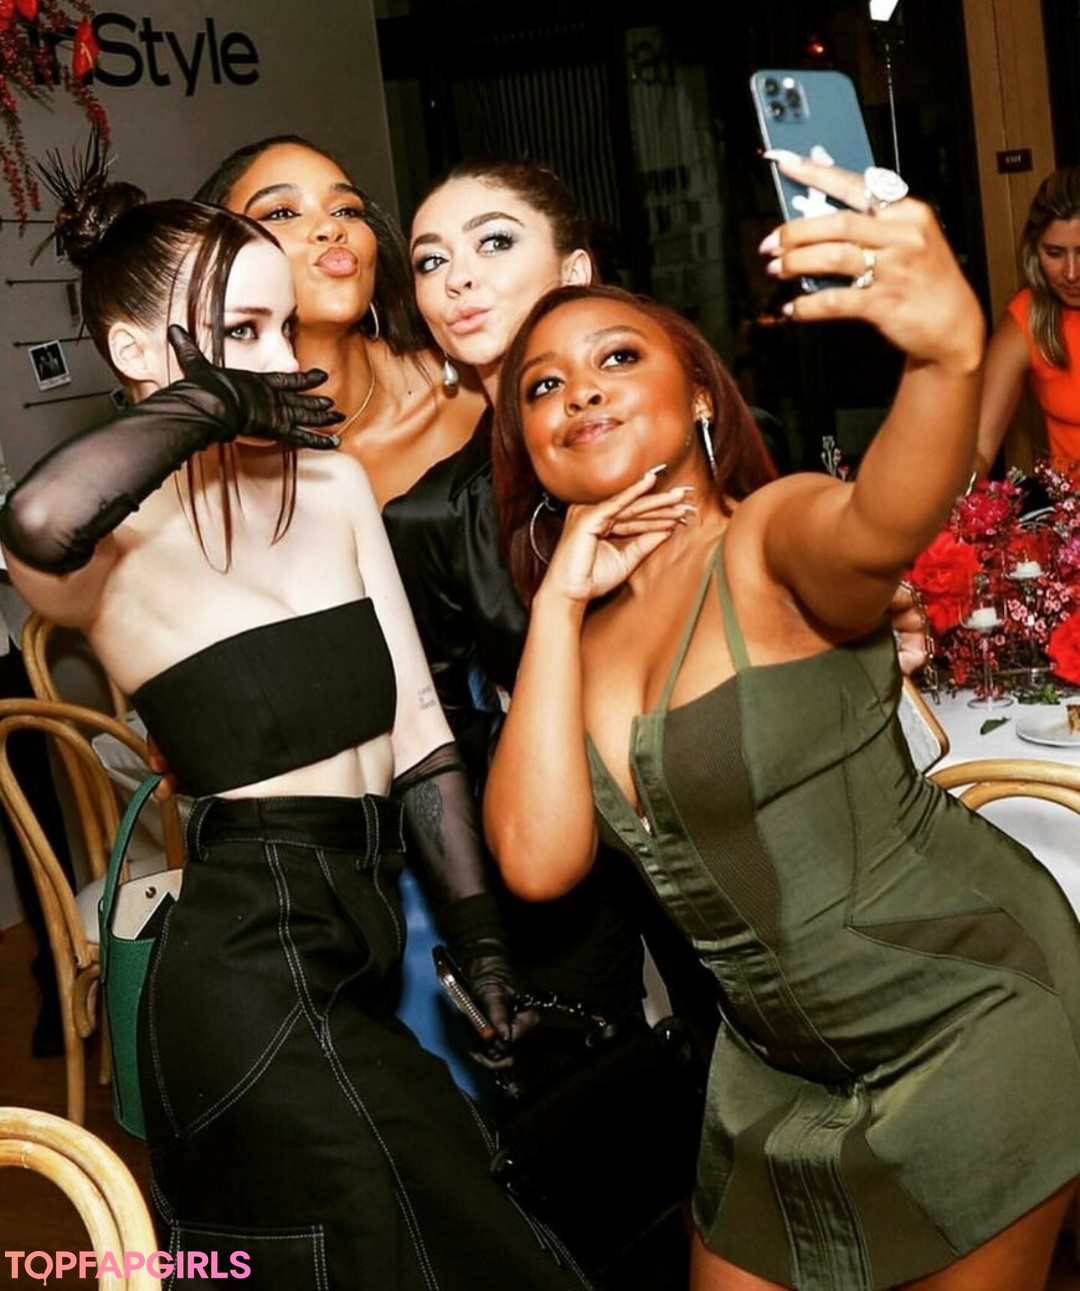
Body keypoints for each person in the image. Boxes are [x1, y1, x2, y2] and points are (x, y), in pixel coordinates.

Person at [0, 138, 590, 1290]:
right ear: (137, 353)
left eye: (281, 329)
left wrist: (481, 945)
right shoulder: (110, 543)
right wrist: (211, 402)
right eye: (240, 335)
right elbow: (34, 522)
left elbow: (419, 739)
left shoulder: (328, 483)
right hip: (242, 974)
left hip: (358, 944)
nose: (280, 364)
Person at [484, 149, 1080, 1291]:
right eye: (543, 387)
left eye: (618, 357)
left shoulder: (767, 537)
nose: (581, 392)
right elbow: (535, 856)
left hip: (975, 1020)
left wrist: (946, 358)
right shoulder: (575, 637)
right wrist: (557, 602)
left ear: (703, 395)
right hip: (772, 1073)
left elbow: (879, 523)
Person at [193, 135, 486, 507]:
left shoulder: (474, 388)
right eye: (281, 213)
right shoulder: (213, 460)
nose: (331, 228)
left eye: (346, 210)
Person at [975, 165, 1080, 483]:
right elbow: (978, 449)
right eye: (1054, 253)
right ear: (1034, 251)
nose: (1071, 273)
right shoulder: (1028, 318)